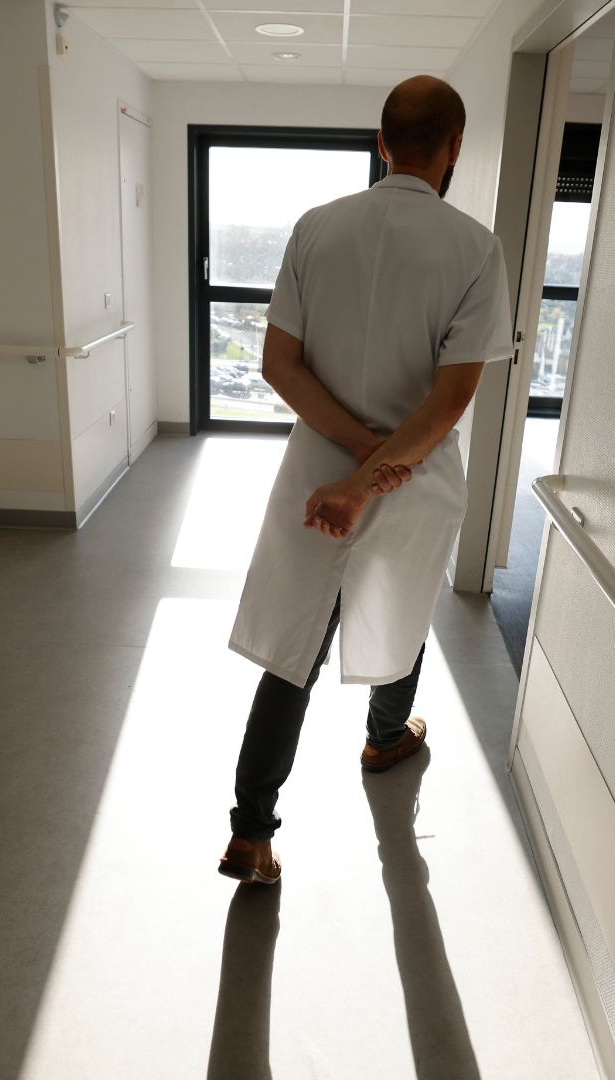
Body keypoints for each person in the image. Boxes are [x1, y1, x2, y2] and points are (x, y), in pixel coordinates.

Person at [219, 76, 515, 886]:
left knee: (296, 646)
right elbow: (450, 400)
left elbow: (279, 366)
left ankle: (250, 831)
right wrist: (377, 472)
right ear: (454, 149)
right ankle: (386, 738)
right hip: (412, 475)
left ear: (382, 143)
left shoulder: (315, 228)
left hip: (318, 466)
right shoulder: (476, 249)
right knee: (403, 605)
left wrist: (353, 458)